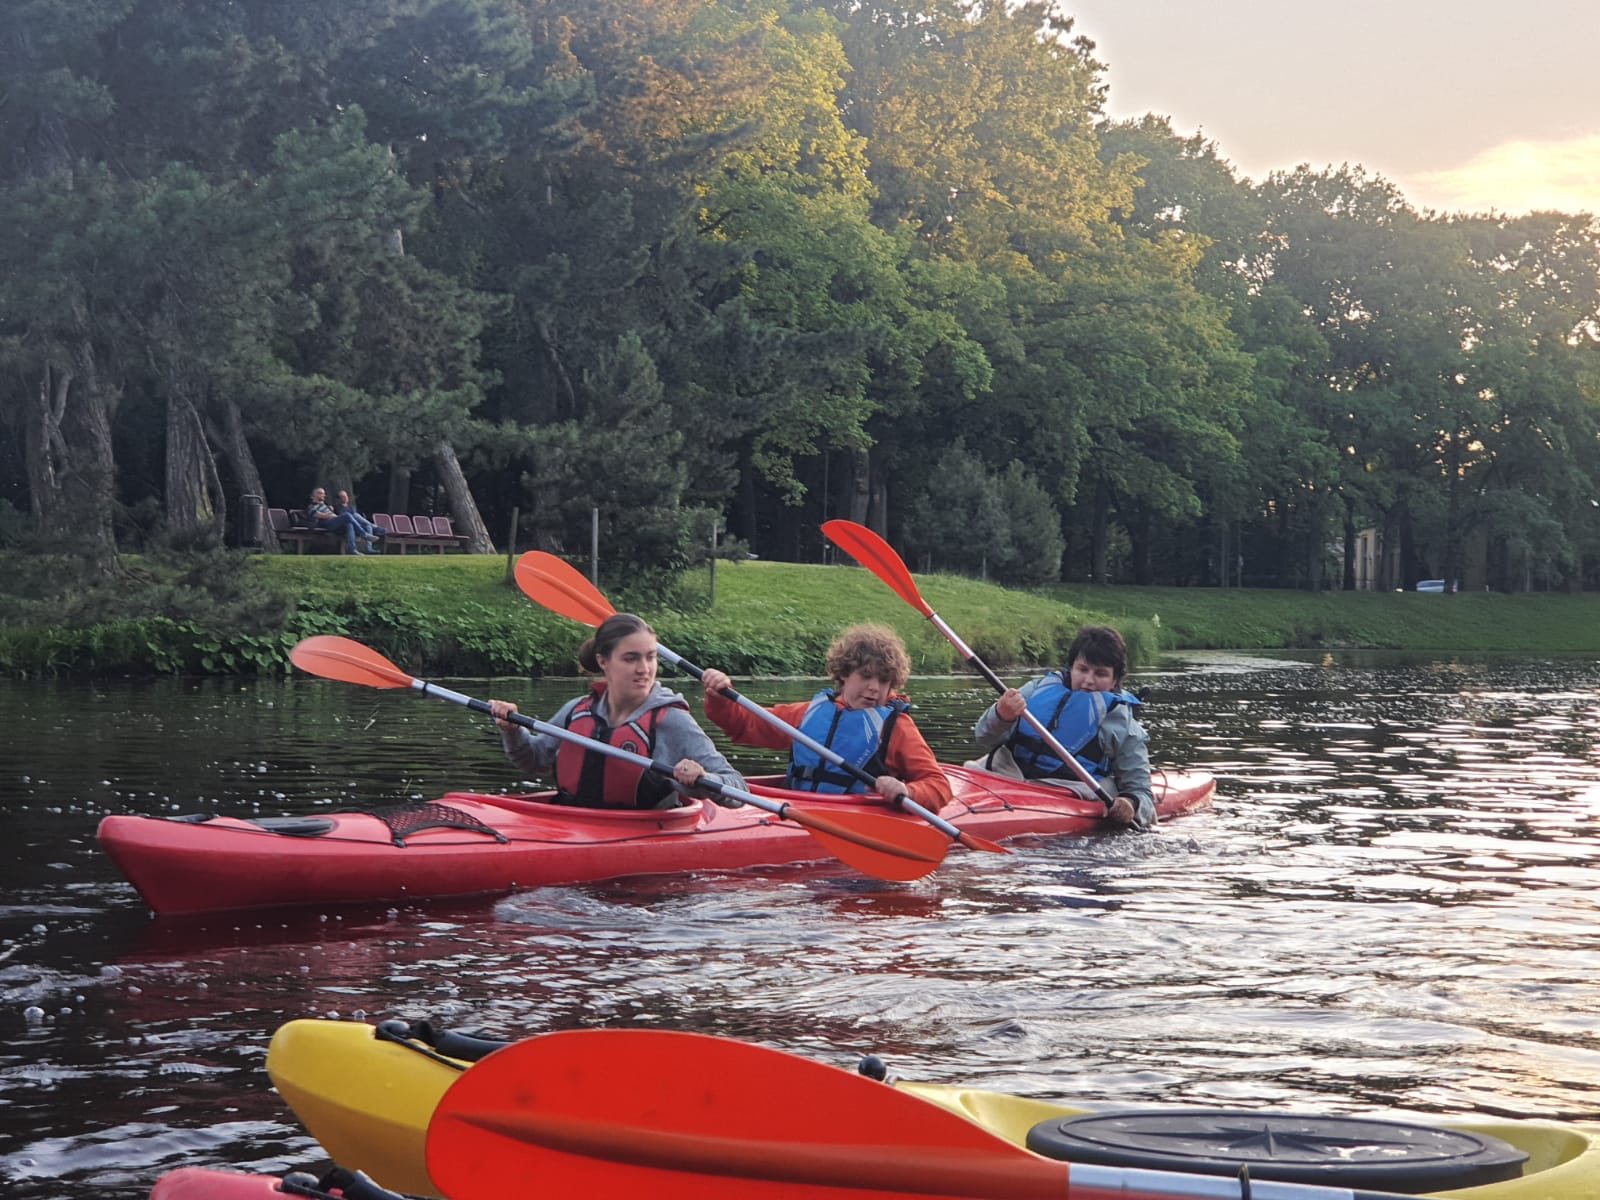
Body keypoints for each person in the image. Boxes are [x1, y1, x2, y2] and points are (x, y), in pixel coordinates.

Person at [487, 613, 745, 809]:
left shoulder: (671, 720)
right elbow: (534, 761)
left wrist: (702, 778)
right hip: (570, 824)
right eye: (631, 658)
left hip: (643, 836)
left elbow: (738, 790)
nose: (644, 669)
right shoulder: (577, 710)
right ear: (603, 661)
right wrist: (512, 730)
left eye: (650, 657)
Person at [698, 623, 952, 813]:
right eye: (865, 676)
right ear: (844, 674)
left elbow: (939, 786)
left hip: (856, 817)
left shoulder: (896, 728)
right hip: (796, 809)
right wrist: (720, 697)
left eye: (884, 680)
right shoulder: (809, 713)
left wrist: (908, 791)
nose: (875, 687)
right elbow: (745, 724)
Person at [968, 625, 1154, 828]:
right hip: (1002, 774)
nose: (1088, 681)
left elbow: (1141, 792)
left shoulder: (1122, 724)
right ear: (1071, 668)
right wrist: (1001, 716)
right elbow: (983, 737)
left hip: (1068, 791)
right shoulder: (1034, 691)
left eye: (1100, 674)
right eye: (1082, 669)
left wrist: (1131, 804)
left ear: (1114, 680)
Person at [306, 486, 379, 556]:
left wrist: (332, 512)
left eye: (324, 493)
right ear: (314, 495)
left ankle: (352, 550)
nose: (324, 495)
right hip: (326, 524)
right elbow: (318, 515)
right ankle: (364, 534)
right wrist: (334, 516)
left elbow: (332, 513)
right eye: (321, 493)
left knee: (349, 524)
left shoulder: (325, 505)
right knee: (347, 515)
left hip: (334, 524)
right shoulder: (311, 506)